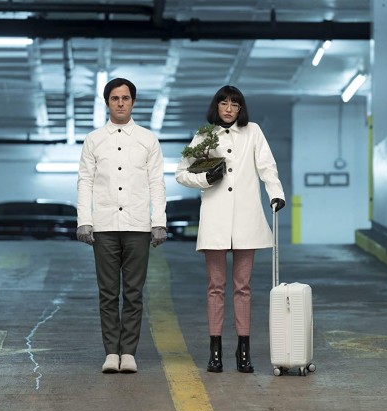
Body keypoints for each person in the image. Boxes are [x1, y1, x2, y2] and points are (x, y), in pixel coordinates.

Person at [175, 85, 285, 373]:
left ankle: (243, 351)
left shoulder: (253, 131)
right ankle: (215, 352)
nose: (229, 109)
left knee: (243, 287)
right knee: (215, 287)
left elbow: (267, 166)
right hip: (215, 219)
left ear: (240, 109)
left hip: (247, 219)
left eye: (234, 104)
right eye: (224, 103)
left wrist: (276, 194)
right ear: (217, 106)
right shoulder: (205, 135)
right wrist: (205, 179)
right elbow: (181, 173)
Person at [76, 77, 167, 374]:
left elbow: (156, 183)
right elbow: (85, 181)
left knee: (133, 292)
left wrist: (159, 222)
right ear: (107, 102)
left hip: (138, 225)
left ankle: (128, 352)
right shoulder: (94, 140)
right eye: (115, 98)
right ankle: (110, 353)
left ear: (133, 102)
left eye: (125, 98)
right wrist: (84, 221)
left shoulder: (147, 139)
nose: (120, 103)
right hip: (103, 225)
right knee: (107, 293)